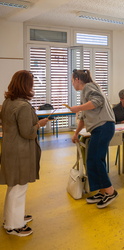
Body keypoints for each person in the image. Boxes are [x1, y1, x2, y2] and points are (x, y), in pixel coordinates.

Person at [0, 70, 49, 236]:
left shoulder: (8, 102)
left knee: (14, 186)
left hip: (10, 148)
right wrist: (39, 124)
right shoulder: (23, 106)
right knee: (19, 187)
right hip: (20, 152)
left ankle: (12, 217)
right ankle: (14, 225)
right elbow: (27, 132)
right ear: (26, 85)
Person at [70, 69, 118, 209]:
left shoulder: (89, 87)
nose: (72, 83)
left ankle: (110, 191)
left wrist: (77, 108)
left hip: (103, 127)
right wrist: (76, 134)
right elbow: (83, 118)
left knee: (95, 159)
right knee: (92, 159)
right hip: (100, 128)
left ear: (78, 79)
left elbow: (98, 101)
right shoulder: (85, 94)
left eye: (73, 80)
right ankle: (102, 191)